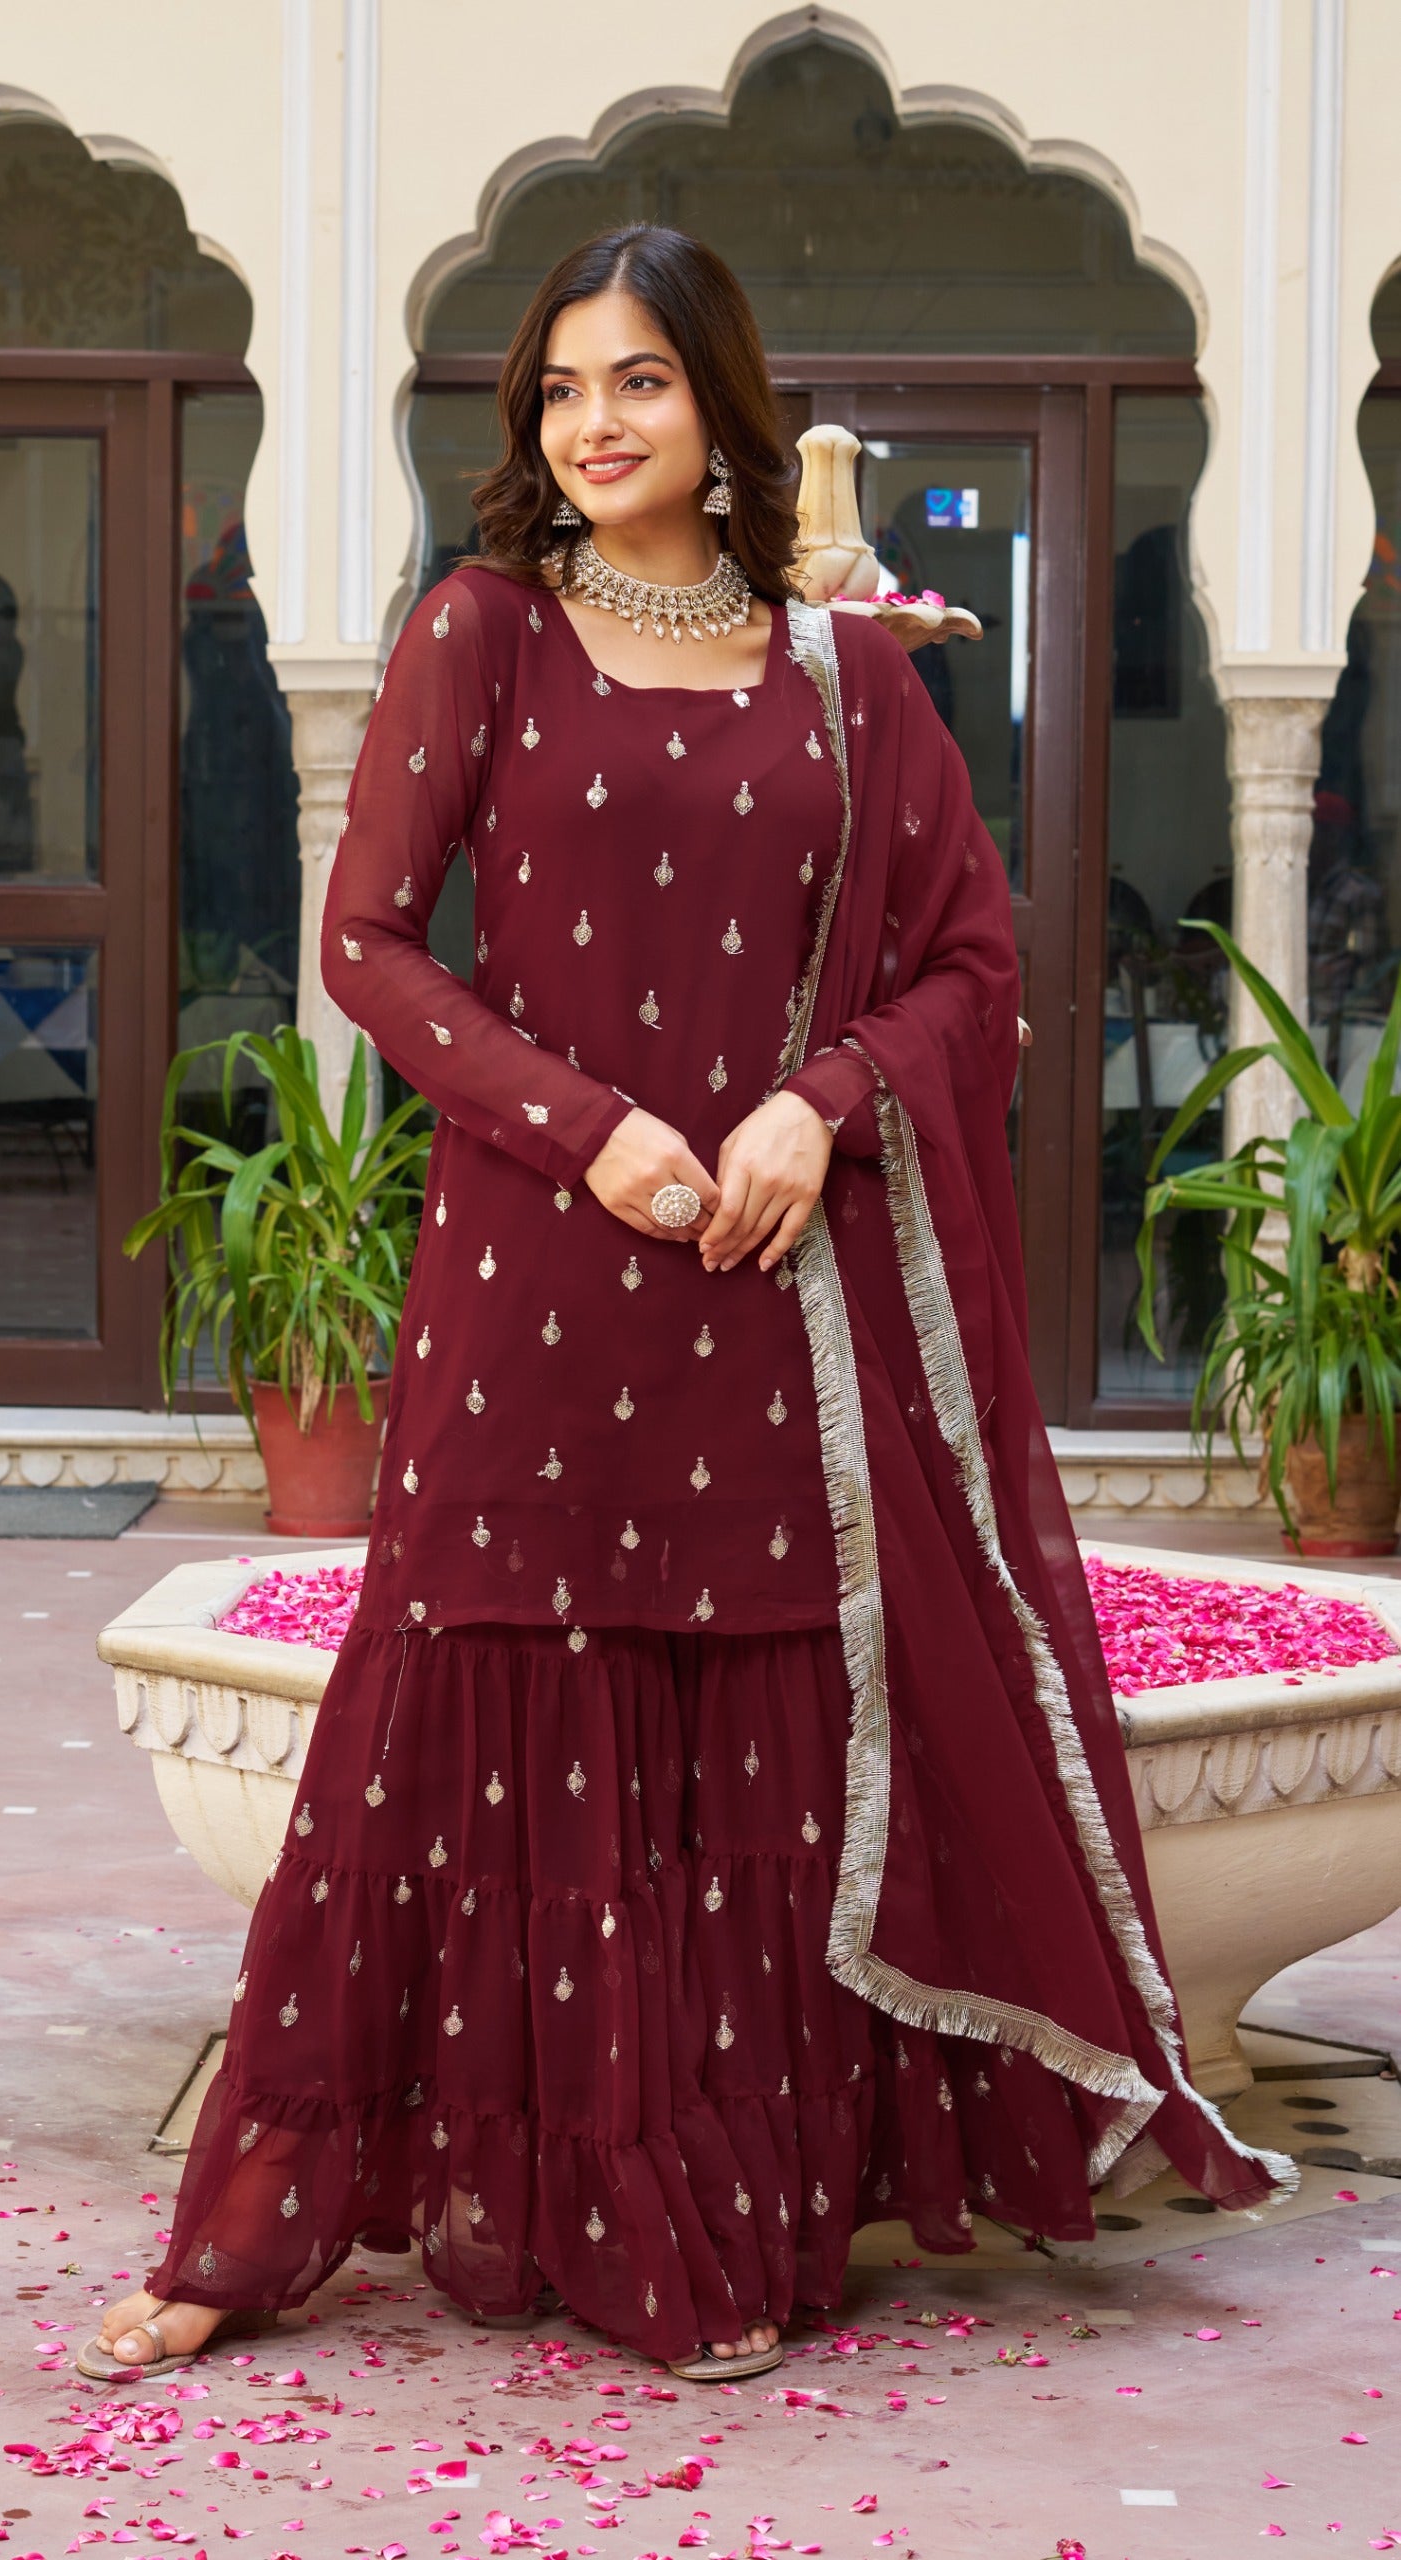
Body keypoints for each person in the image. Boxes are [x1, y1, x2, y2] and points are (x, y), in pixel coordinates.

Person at [82, 223, 1291, 2389]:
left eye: (635, 381)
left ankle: (710, 2208)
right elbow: (370, 945)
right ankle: (259, 2228)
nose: (592, 424)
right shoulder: (486, 634)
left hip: (763, 1284)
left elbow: (968, 962)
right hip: (539, 1273)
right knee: (482, 1707)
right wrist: (590, 1130)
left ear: (720, 408)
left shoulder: (843, 674)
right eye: (558, 389)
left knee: (745, 1726)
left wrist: (819, 1111)